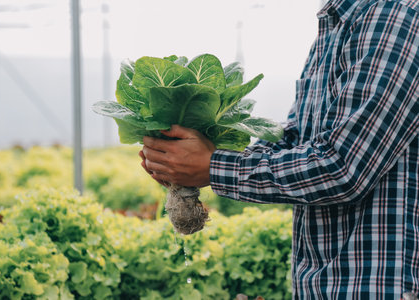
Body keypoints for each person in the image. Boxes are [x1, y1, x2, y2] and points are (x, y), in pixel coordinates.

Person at [140, 0, 419, 298]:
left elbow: (342, 165)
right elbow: (295, 141)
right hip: (324, 285)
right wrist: (192, 159)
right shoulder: (336, 24)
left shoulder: (394, 14)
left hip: (376, 286)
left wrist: (212, 166)